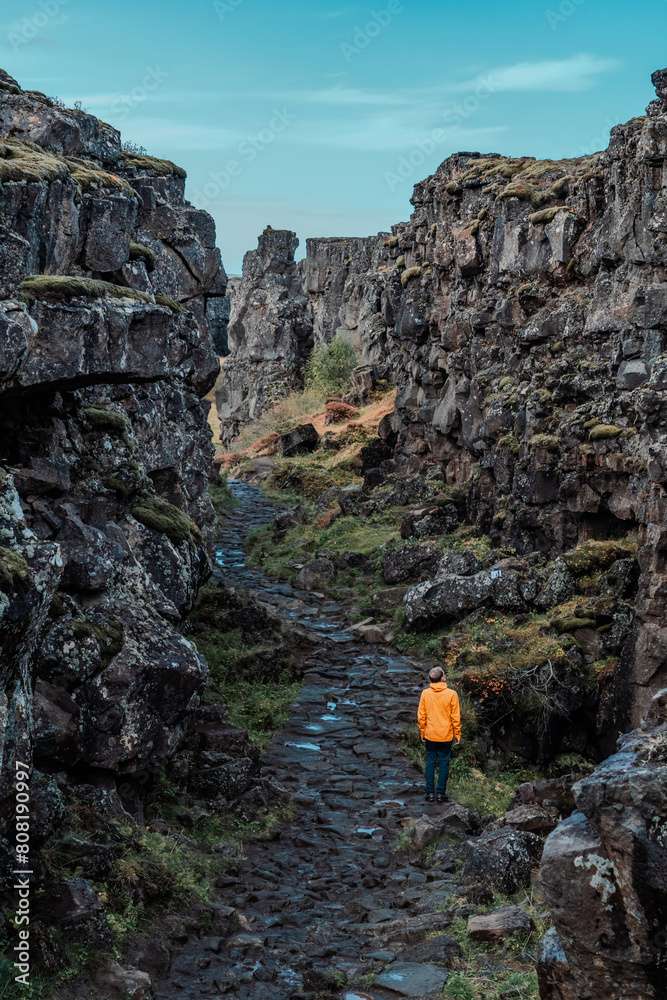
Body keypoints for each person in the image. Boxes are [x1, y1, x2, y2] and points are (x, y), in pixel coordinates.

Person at [417, 666, 461, 803]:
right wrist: (457, 734)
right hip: (446, 735)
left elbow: (421, 716)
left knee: (430, 762)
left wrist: (422, 732)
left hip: (430, 734)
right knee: (444, 763)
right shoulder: (452, 694)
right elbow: (456, 717)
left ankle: (430, 793)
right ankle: (441, 793)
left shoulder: (425, 693)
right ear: (442, 678)